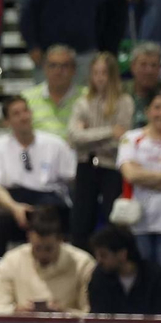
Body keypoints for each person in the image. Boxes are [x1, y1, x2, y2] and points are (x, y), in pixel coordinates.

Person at [0, 94, 77, 257]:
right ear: (7, 122)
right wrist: (14, 207)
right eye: (16, 114)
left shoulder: (54, 144)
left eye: (25, 111)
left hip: (48, 199)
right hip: (15, 199)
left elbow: (73, 178)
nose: (23, 117)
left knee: (56, 214)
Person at [67, 51, 134, 249]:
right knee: (81, 220)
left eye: (104, 73)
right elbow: (73, 137)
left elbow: (122, 139)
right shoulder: (83, 102)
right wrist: (109, 131)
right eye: (95, 72)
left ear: (112, 75)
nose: (99, 78)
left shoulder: (125, 102)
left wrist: (89, 134)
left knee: (112, 219)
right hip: (86, 165)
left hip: (112, 166)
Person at [117, 90, 161, 278]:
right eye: (157, 107)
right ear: (147, 111)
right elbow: (130, 174)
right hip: (137, 221)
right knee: (139, 279)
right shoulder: (131, 138)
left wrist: (144, 176)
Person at [0, 205, 94, 315]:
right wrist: (17, 311)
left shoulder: (83, 264)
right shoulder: (11, 261)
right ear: (29, 238)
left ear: (60, 240)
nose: (42, 254)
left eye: (48, 249)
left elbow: (90, 314)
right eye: (37, 248)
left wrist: (64, 314)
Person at [87, 225, 161, 316]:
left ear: (122, 254)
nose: (99, 261)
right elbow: (98, 315)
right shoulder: (99, 277)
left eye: (103, 255)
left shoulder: (157, 277)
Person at [23, 45, 80, 140]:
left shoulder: (88, 96)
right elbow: (18, 140)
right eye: (53, 65)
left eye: (64, 66)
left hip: (78, 153)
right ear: (45, 68)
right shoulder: (27, 98)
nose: (58, 71)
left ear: (74, 70)